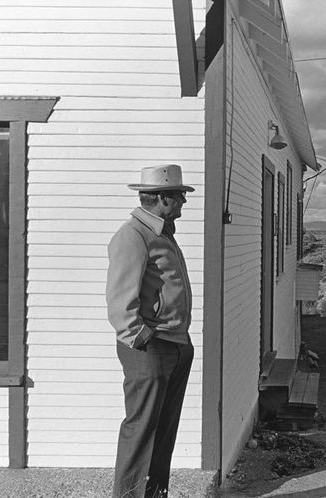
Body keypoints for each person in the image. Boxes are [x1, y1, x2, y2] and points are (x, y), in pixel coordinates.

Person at [106, 164, 195, 498]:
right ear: (161, 198)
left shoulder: (162, 232)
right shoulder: (133, 235)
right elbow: (120, 299)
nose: (184, 203)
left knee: (163, 430)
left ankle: (155, 494)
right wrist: (141, 336)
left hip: (174, 343)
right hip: (151, 347)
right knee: (142, 429)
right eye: (179, 197)